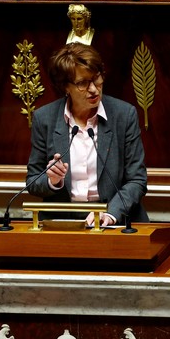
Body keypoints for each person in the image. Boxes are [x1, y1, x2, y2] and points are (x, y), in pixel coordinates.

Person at [25, 43, 148, 226]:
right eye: (83, 83)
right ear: (65, 87)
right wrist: (53, 180)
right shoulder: (45, 119)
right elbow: (33, 181)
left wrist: (111, 213)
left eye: (96, 78)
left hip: (115, 219)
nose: (94, 89)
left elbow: (137, 180)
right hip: (62, 221)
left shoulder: (123, 115)